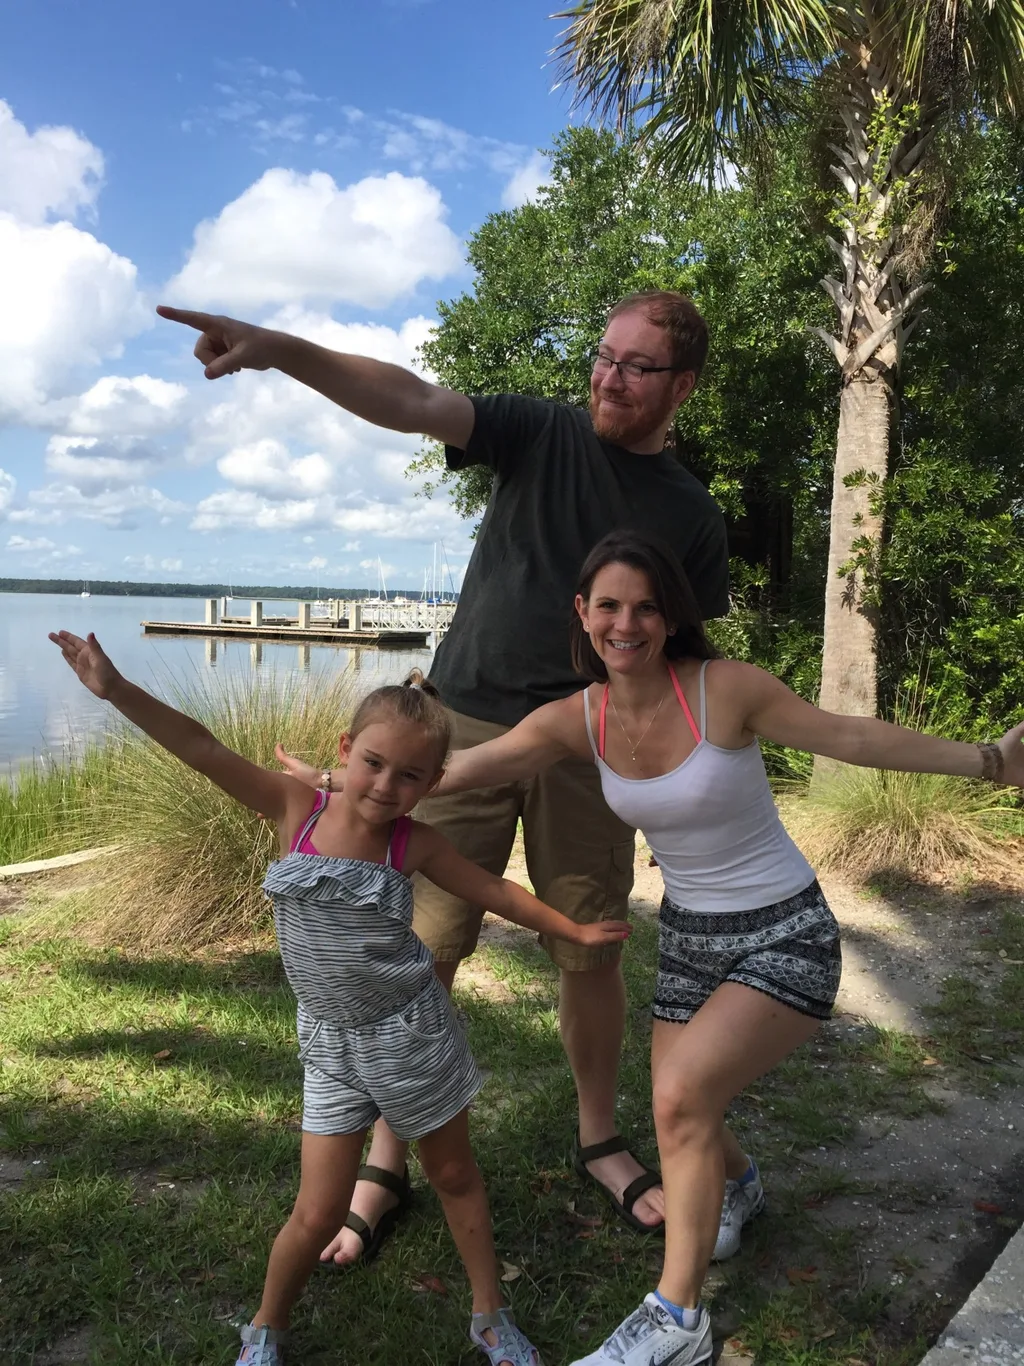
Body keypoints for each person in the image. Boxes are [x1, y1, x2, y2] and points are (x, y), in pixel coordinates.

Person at [314, 529, 1021, 1366]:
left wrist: (990, 761)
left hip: (784, 929)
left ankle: (677, 1321)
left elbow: (852, 737)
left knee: (680, 1097)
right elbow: (468, 767)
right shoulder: (580, 715)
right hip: (690, 940)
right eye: (608, 606)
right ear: (582, 614)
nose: (626, 624)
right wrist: (341, 784)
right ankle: (742, 1185)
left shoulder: (724, 690)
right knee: (680, 1109)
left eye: (646, 607)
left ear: (670, 618)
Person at [157, 290, 730, 1257]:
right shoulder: (540, 433)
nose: (608, 376)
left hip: (587, 746)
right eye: (604, 354)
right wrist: (280, 350)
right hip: (457, 731)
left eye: (636, 366)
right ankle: (388, 1155)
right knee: (421, 947)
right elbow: (411, 399)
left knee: (591, 943)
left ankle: (601, 1138)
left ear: (682, 386)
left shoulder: (692, 513)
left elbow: (680, 652)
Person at [48, 630, 632, 1366]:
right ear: (346, 748)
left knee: (453, 1174)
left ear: (432, 783)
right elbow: (201, 748)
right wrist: (115, 689)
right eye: (374, 763)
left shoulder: (410, 845)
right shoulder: (297, 810)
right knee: (317, 1209)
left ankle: (489, 1315)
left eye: (410, 776)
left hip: (409, 1036)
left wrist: (570, 924)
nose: (387, 785)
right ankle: (264, 1332)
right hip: (329, 1045)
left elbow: (496, 891)